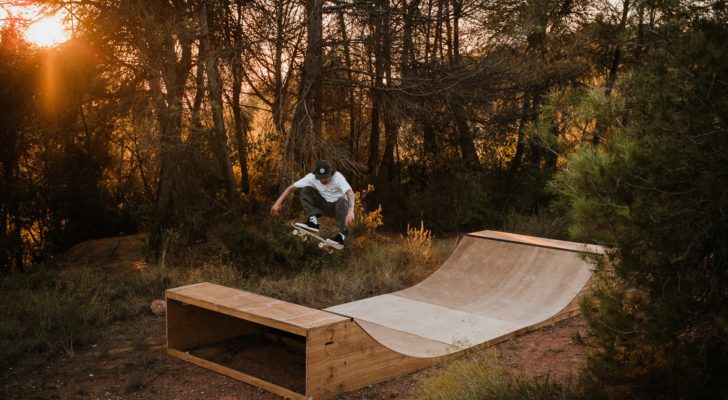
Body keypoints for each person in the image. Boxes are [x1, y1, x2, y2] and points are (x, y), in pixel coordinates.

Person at [270, 160, 355, 247]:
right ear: (316, 174)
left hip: (337, 209)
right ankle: (313, 222)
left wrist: (351, 211)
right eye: (321, 178)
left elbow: (350, 193)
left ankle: (340, 237)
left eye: (326, 177)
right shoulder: (311, 177)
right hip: (323, 206)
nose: (323, 180)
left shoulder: (338, 177)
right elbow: (290, 188)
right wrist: (277, 204)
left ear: (330, 173)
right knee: (305, 189)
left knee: (342, 200)